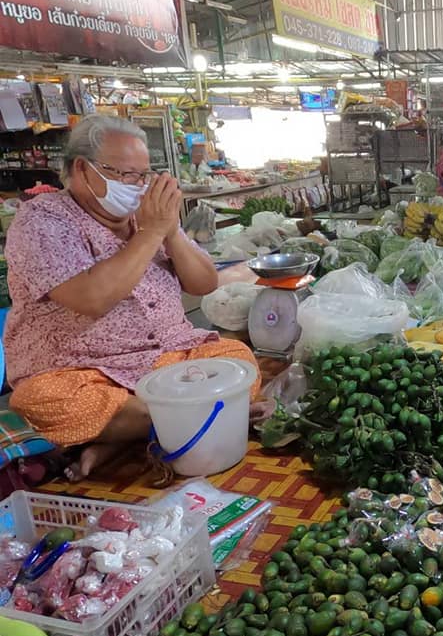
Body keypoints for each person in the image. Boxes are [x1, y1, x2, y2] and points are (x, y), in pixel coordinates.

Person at [3, 115, 261, 482]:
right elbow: (93, 298)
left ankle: (124, 438)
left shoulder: (144, 218)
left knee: (238, 360)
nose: (138, 186)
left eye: (143, 175)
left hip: (168, 359)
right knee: (39, 400)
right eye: (125, 175)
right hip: (84, 372)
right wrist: (152, 232)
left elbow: (204, 283)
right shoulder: (42, 221)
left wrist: (170, 232)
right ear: (82, 169)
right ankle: (183, 419)